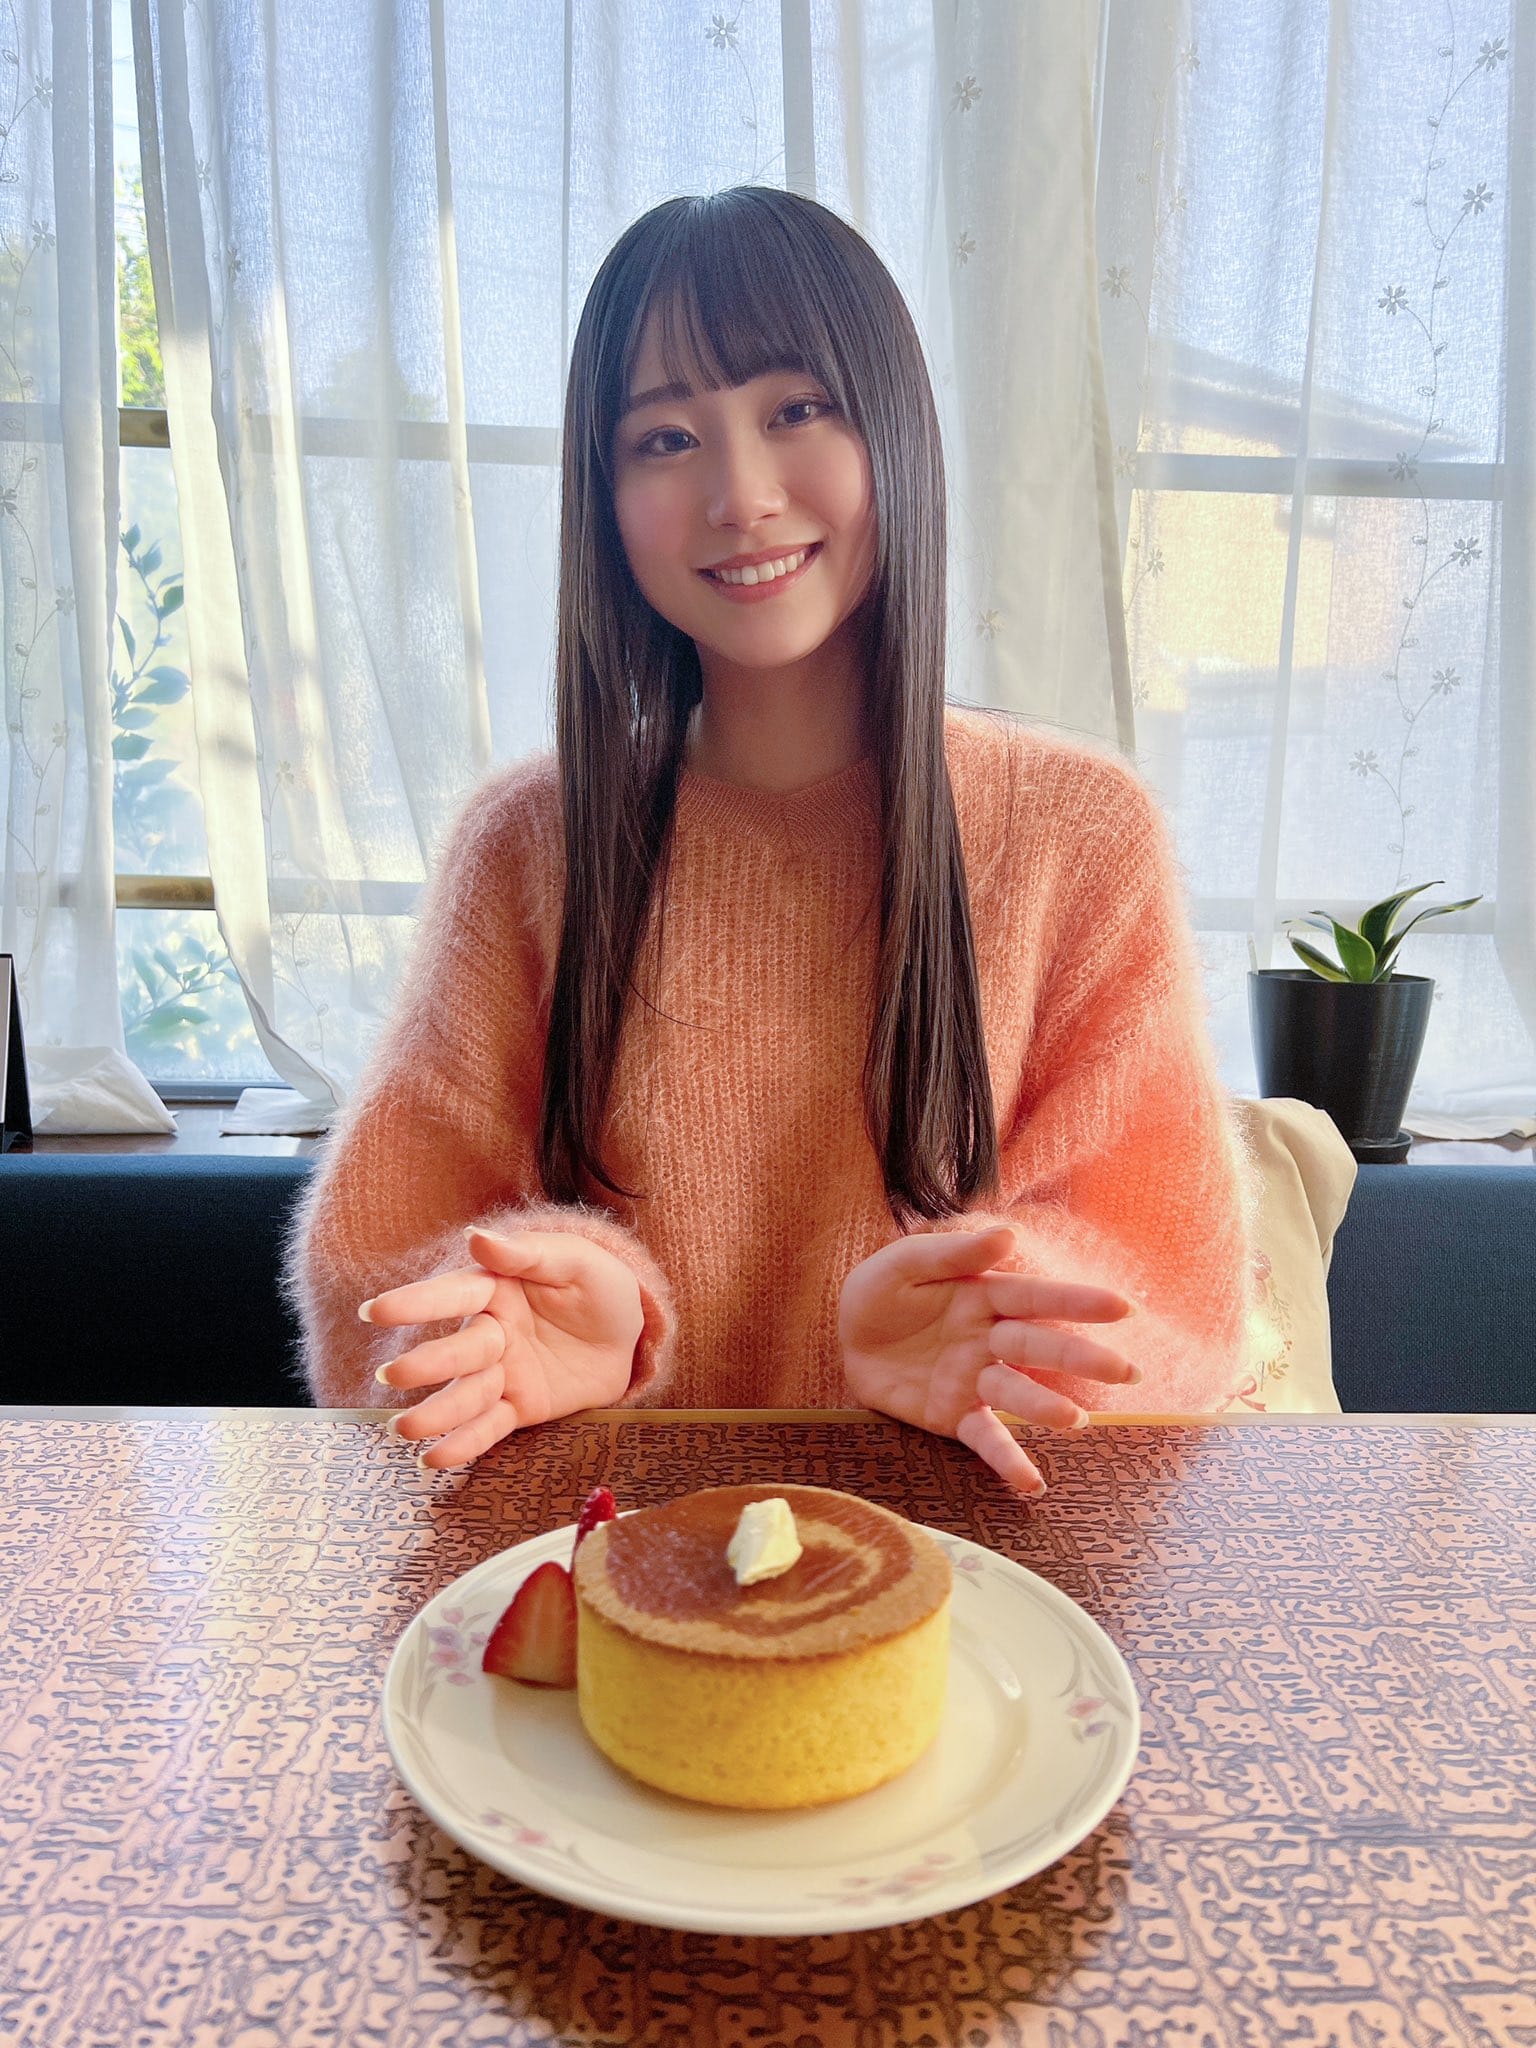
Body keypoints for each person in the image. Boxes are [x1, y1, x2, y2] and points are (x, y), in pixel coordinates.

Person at [282, 186, 1254, 1497]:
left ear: (893, 430)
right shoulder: (531, 843)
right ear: (602, 496)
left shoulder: (1076, 832)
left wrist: (995, 1310)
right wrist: (541, 1314)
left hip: (964, 1564)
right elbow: (374, 1274)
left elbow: (1177, 1293)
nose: (741, 495)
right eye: (665, 438)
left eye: (797, 410)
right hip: (604, 1556)